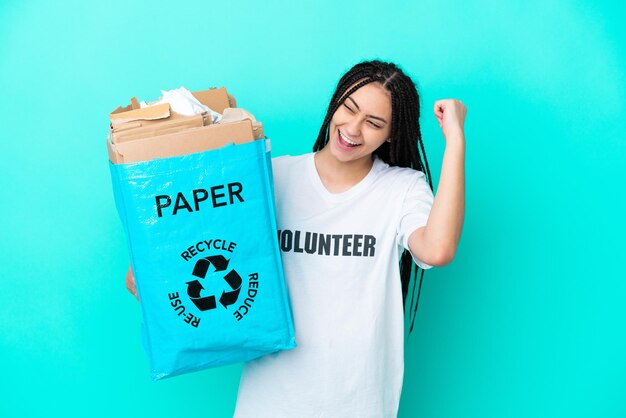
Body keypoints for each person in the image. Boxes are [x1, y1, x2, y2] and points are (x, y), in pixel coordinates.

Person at [126, 59, 466, 418]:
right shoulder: (271, 177)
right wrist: (156, 274)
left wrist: (456, 140)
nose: (353, 128)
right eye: (348, 109)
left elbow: (437, 249)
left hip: (358, 403)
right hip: (271, 401)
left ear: (392, 134)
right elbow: (179, 256)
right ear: (335, 103)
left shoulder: (401, 189)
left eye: (374, 123)